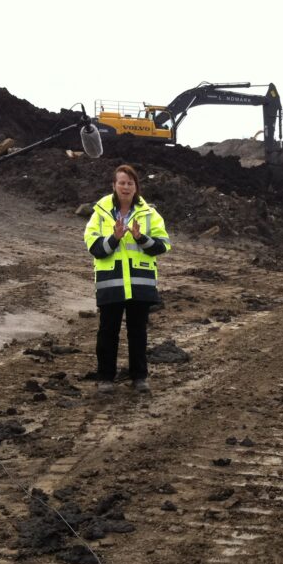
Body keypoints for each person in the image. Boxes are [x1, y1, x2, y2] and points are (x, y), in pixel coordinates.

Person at [84, 164, 171, 393]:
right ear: (114, 186)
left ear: (136, 188)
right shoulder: (100, 213)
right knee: (107, 332)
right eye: (121, 182)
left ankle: (139, 377)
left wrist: (141, 237)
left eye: (130, 183)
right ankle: (105, 378)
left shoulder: (150, 214)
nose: (125, 187)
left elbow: (162, 246)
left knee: (138, 333)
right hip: (110, 283)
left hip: (140, 284)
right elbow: (93, 247)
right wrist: (114, 238)